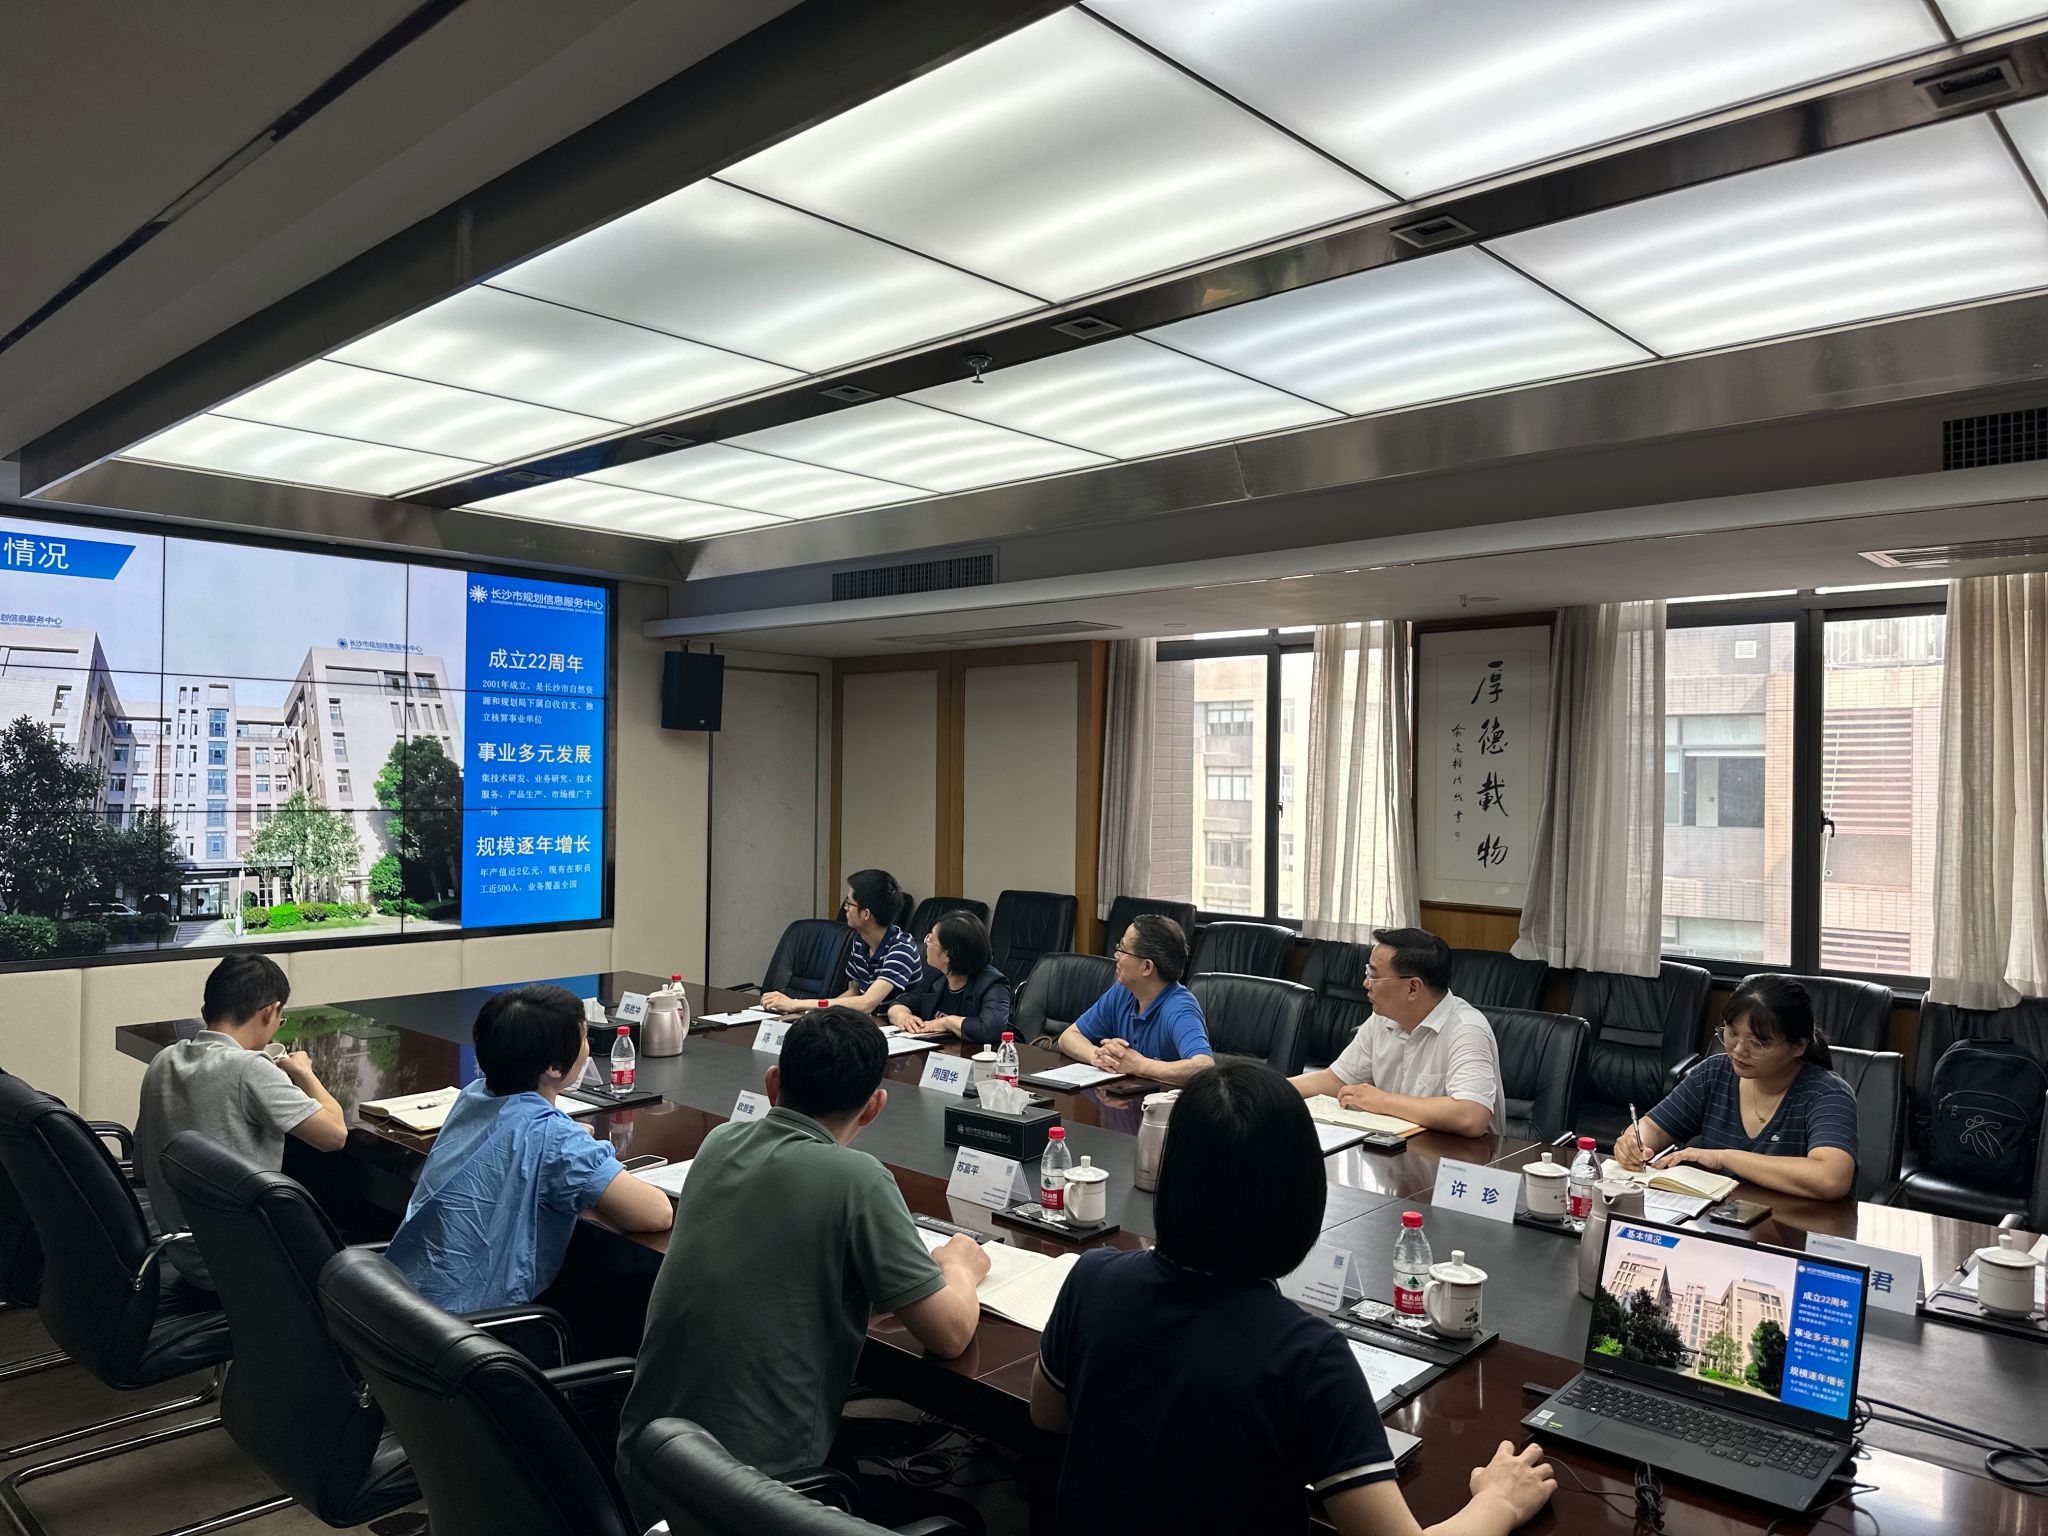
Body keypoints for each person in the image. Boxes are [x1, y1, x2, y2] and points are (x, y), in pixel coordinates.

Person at [1029, 1061, 1556, 1536]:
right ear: (1301, 1192)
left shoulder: (1091, 1279)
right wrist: (1500, 1503)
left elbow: (1047, 1418)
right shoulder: (1308, 1356)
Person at [618, 1007, 990, 1519]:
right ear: (874, 1106)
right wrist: (960, 1267)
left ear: (773, 1084)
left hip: (652, 1466)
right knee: (963, 1520)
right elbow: (949, 1334)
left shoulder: (720, 1142)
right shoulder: (858, 1179)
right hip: (747, 1499)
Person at [385, 984, 672, 1313]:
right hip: (465, 1328)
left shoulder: (474, 1095)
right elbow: (656, 1213)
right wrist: (570, 1145)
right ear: (554, 1067)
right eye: (584, 1037)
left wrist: (565, 1140)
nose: (587, 1048)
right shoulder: (557, 1139)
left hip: (400, 1306)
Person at [136, 953, 348, 1288]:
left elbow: (139, 1166)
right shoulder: (249, 1068)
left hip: (184, 1251)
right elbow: (335, 1135)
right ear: (270, 1012)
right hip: (243, 1263)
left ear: (206, 1010)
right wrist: (305, 1073)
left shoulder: (163, 1060)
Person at [1616, 976, 1857, 1200]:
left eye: (1758, 1043)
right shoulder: (1714, 1073)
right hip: (1716, 1217)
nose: (1739, 1050)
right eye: (1731, 1033)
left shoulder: (1827, 1093)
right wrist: (1634, 1143)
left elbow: (1831, 1178)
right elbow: (1654, 1128)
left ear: (1798, 1046)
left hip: (1793, 1224)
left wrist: (1724, 1157)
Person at [1289, 928, 1503, 1136]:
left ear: (1412, 988)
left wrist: (1382, 1101)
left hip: (1460, 1156)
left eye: (1373, 976)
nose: (1366, 983)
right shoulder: (1383, 1018)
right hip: (1400, 1149)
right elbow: (1337, 1080)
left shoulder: (1467, 1030)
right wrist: (1274, 1089)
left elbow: (1471, 1116)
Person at [1056, 914, 1215, 1085]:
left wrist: (1139, 1065)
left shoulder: (1180, 1007)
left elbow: (1204, 1068)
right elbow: (1068, 1037)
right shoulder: (1123, 991)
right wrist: (1100, 1056)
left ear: (1146, 967)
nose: (1116, 955)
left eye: (1122, 949)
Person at [762, 868, 920, 1015]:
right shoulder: (861, 941)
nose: (845, 908)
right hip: (869, 1024)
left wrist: (796, 1004)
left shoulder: (901, 948)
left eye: (849, 903)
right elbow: (855, 991)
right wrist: (819, 1013)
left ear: (866, 914)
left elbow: (867, 1003)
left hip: (896, 1028)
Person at [886, 911, 1013, 1045]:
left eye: (931, 939)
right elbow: (899, 1004)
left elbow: (990, 1030)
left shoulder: (993, 984)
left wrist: (948, 1022)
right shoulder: (935, 976)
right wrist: (903, 1017)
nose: (926, 943)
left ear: (947, 955)